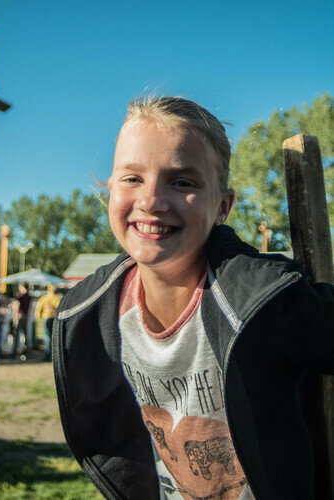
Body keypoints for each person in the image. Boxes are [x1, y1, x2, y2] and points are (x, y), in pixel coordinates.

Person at [52, 96, 334, 499]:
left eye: (182, 181)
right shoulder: (88, 315)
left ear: (223, 206)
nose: (151, 201)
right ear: (109, 189)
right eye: (132, 178)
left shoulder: (263, 301)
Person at [34, 284, 60, 361]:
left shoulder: (44, 298)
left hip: (46, 318)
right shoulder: (56, 298)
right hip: (54, 318)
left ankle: (48, 353)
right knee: (52, 336)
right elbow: (59, 310)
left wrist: (39, 318)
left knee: (47, 336)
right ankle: (51, 354)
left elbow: (38, 309)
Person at [11, 282, 31, 357]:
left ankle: (14, 351)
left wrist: (15, 317)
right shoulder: (29, 296)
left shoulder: (19, 296)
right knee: (25, 334)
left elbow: (17, 306)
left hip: (19, 316)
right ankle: (26, 350)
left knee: (16, 333)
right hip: (26, 316)